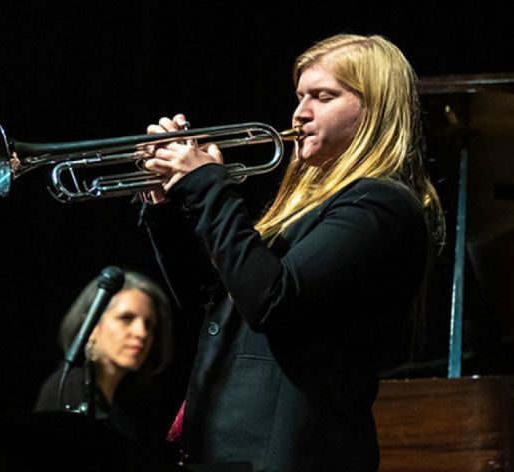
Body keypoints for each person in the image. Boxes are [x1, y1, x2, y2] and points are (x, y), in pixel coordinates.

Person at [140, 33, 445, 472]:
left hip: (291, 455)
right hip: (230, 452)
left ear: (375, 109)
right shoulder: (312, 208)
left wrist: (210, 186)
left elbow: (272, 300)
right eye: (300, 96)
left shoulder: (380, 205)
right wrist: (164, 205)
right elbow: (216, 299)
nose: (300, 113)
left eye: (323, 96)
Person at [34, 269, 174, 449]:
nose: (142, 333)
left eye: (149, 324)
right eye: (126, 318)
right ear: (91, 326)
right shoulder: (71, 384)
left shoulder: (123, 414)